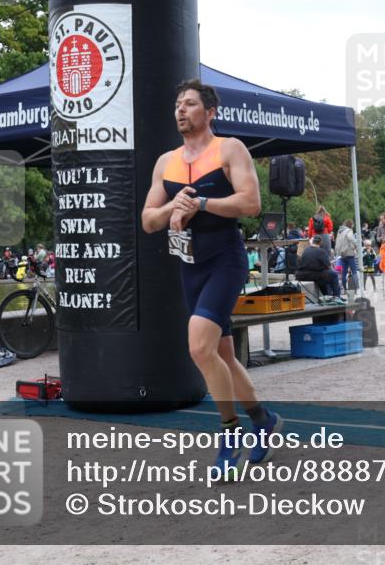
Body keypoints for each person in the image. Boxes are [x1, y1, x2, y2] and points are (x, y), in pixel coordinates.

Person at [141, 79, 279, 480]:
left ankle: (229, 435)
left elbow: (251, 203)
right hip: (189, 263)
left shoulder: (230, 148)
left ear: (210, 112)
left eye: (189, 104)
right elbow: (148, 221)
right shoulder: (165, 161)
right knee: (222, 356)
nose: (180, 110)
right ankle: (263, 419)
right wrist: (173, 207)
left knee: (199, 348)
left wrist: (200, 202)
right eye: (177, 104)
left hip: (225, 258)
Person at [297, 236, 344, 300]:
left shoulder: (306, 250)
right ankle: (337, 297)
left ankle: (327, 295)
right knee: (334, 275)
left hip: (302, 275)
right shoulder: (321, 251)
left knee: (324, 276)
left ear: (313, 242)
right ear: (320, 243)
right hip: (314, 274)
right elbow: (328, 265)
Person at [334, 219, 361, 292]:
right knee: (354, 271)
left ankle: (345, 290)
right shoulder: (349, 230)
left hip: (342, 254)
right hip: (349, 253)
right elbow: (350, 238)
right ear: (351, 225)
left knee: (344, 273)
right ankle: (357, 289)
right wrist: (357, 244)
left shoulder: (339, 231)